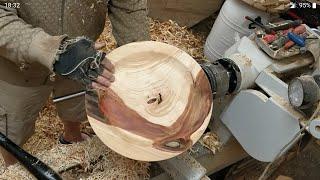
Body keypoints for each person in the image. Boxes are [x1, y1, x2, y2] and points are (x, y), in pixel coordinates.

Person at [0, 0, 150, 166]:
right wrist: (49, 49)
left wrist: (139, 55)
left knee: (73, 99)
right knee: (13, 125)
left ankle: (72, 136)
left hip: (80, 55)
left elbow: (128, 5)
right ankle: (12, 167)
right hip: (18, 63)